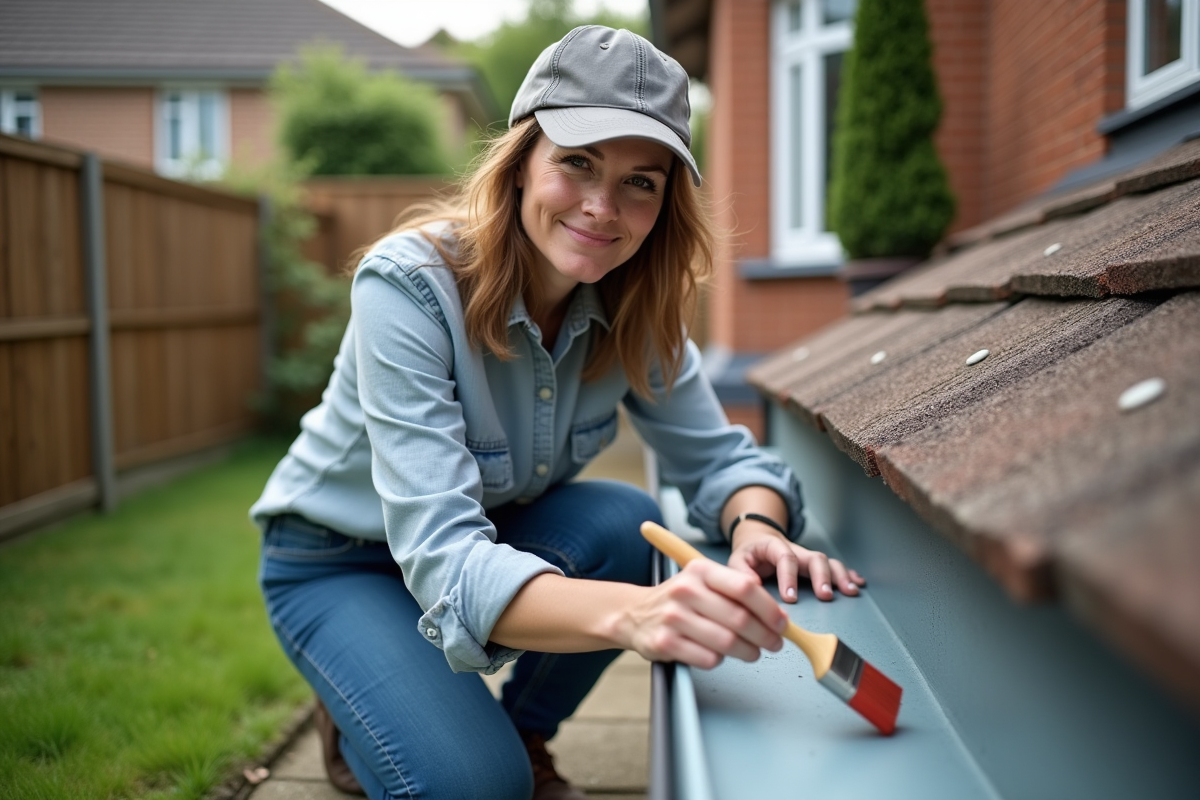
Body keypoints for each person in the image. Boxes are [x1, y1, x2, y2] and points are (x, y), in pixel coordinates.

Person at [251, 25, 865, 800]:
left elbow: (721, 461)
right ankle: (364, 699)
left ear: (665, 203)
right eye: (577, 163)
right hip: (339, 560)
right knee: (475, 788)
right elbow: (444, 557)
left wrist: (757, 528)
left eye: (641, 182)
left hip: (482, 534)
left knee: (627, 523)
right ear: (519, 165)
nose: (604, 208)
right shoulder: (408, 288)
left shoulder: (636, 307)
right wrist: (638, 616)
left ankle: (522, 733)